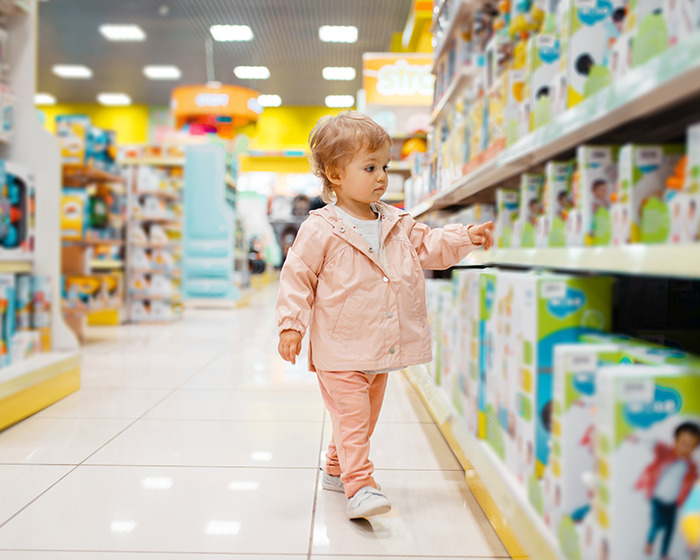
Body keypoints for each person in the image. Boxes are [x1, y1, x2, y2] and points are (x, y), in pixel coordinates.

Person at [276, 111, 494, 520]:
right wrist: (291, 325)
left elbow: (429, 246)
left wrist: (464, 236)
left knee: (363, 418)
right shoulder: (321, 228)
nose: (381, 177)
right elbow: (296, 277)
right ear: (334, 175)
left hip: (380, 344)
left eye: (385, 167)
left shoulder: (395, 221)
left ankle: (337, 467)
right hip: (339, 348)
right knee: (353, 416)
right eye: (370, 167)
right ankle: (360, 487)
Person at [635, 422, 700, 560]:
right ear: (675, 441)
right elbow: (655, 443)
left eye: (691, 446)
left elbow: (694, 482)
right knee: (658, 523)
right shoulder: (666, 453)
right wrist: (637, 439)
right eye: (683, 443)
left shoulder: (692, 466)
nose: (685, 448)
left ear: (695, 447)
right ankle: (649, 542)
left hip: (673, 502)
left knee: (670, 529)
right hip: (657, 497)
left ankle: (664, 554)